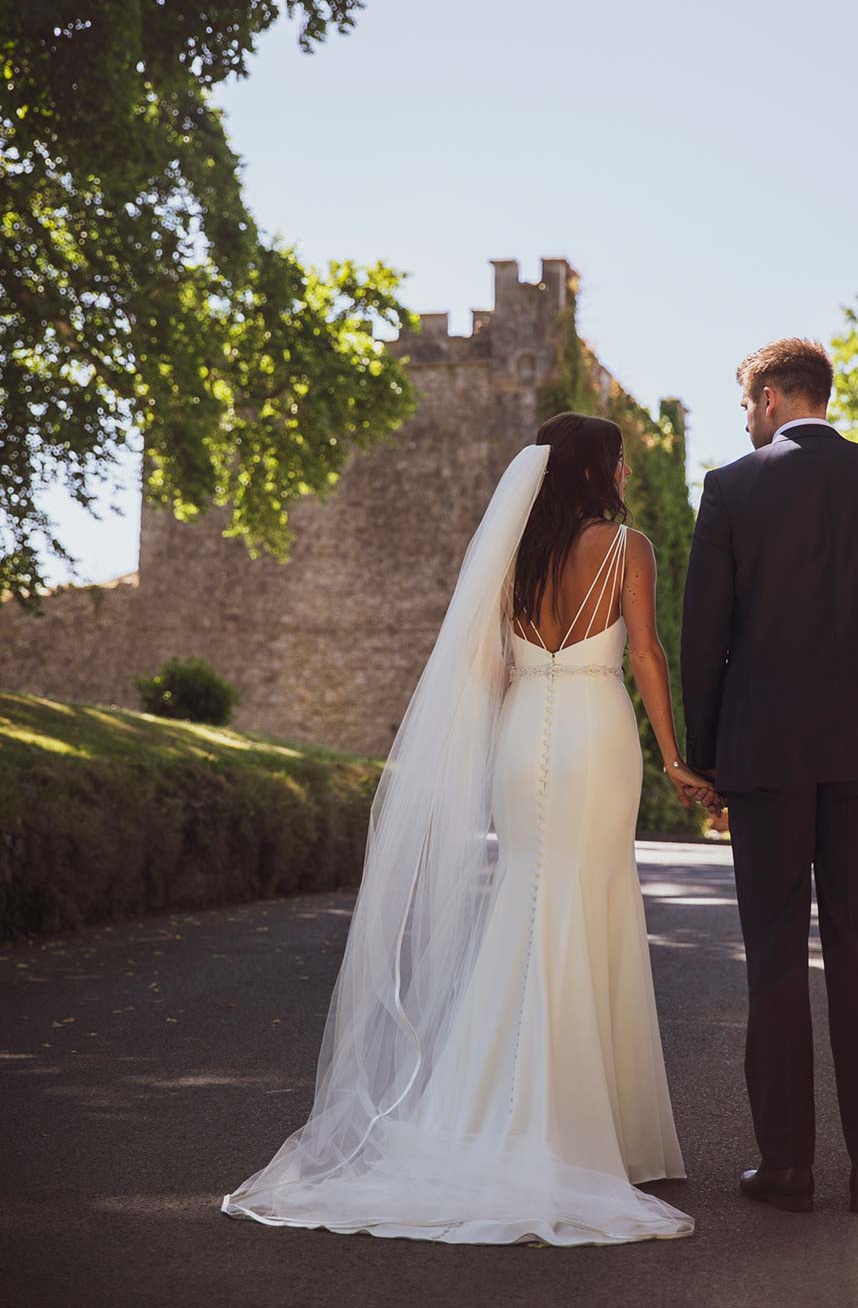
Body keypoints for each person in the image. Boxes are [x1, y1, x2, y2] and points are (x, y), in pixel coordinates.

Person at [220, 412, 709, 1246]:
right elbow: (649, 654)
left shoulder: (509, 556)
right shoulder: (628, 547)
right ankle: (587, 1133)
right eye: (621, 461)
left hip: (523, 737)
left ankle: (493, 1112)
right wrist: (674, 757)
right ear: (596, 469)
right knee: (589, 900)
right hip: (597, 733)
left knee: (526, 898)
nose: (627, 474)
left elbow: (482, 670)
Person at [680, 337, 858, 1218]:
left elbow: (704, 638)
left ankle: (786, 1163)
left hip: (763, 755)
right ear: (821, 397)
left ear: (766, 399)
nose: (747, 422)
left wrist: (707, 755)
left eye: (746, 407)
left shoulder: (731, 487)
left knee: (773, 957)